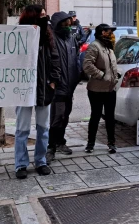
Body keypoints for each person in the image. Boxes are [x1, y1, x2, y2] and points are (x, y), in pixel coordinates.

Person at [14, 5, 60, 179]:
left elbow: (55, 59)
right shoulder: (19, 34)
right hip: (24, 89)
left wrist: (53, 82)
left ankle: (41, 161)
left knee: (43, 128)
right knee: (22, 129)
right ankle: (21, 164)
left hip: (44, 90)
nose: (45, 17)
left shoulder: (48, 35)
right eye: (41, 15)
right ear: (32, 17)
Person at [46, 12, 80, 163]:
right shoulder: (51, 39)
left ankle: (61, 142)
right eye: (64, 24)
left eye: (69, 23)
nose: (67, 26)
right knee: (56, 118)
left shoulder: (71, 39)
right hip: (57, 88)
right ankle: (50, 147)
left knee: (65, 117)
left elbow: (75, 60)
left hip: (69, 87)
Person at [82, 23, 121, 154]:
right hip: (96, 90)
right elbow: (87, 65)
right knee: (95, 116)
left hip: (110, 89)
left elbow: (110, 65)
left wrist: (115, 75)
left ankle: (112, 143)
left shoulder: (109, 47)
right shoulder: (95, 46)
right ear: (102, 32)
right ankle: (90, 143)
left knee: (110, 117)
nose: (111, 34)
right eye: (109, 31)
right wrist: (102, 75)